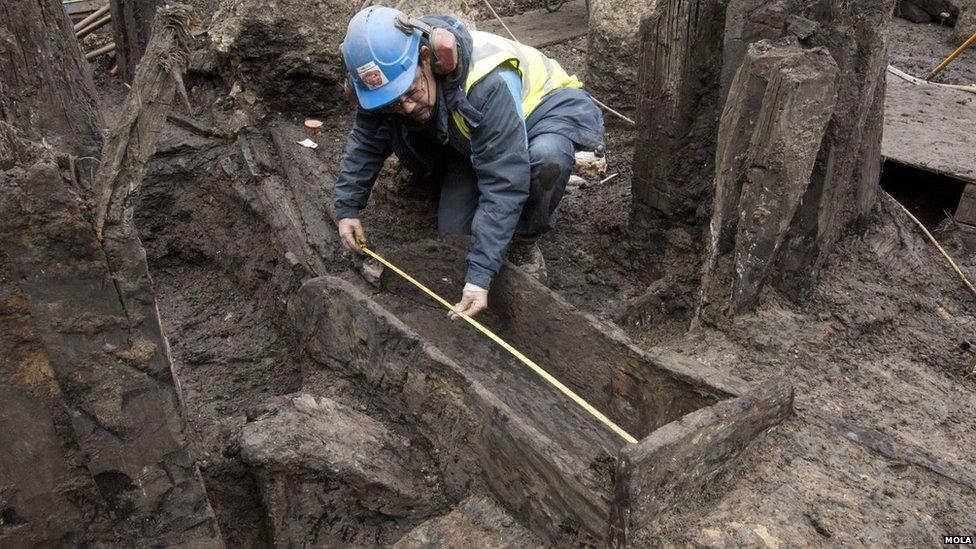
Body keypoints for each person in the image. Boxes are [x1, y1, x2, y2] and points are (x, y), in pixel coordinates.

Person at [333, 5, 604, 317]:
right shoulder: (386, 82)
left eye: (411, 92)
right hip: (478, 138)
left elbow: (504, 180)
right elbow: (368, 138)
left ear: (426, 56)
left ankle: (526, 240)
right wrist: (347, 208)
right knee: (455, 238)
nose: (405, 108)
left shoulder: (487, 82)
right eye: (394, 102)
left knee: (546, 161)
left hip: (543, 115)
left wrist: (479, 277)